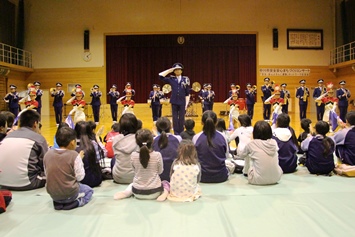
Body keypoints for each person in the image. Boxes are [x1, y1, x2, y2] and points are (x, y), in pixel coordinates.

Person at [44, 127, 94, 210]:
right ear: (72, 142)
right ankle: (77, 202)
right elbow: (80, 177)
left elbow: (47, 173)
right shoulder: (74, 155)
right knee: (89, 191)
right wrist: (79, 161)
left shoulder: (48, 154)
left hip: (53, 195)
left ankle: (58, 203)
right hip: (70, 194)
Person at [113, 129, 170, 201]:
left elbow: (134, 171)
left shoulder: (133, 155)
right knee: (165, 183)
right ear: (152, 141)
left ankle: (127, 192)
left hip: (137, 192)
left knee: (131, 184)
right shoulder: (157, 155)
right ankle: (164, 194)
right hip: (155, 192)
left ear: (137, 142)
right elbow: (160, 171)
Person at [0, 110, 47, 191]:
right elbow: (46, 164)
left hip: (2, 182)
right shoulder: (38, 139)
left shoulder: (7, 137)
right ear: (35, 123)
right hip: (28, 183)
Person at [192, 111, 235, 183]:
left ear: (202, 122)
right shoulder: (223, 136)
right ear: (216, 122)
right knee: (231, 164)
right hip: (221, 176)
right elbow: (226, 155)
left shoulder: (196, 137)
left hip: (202, 176)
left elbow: (194, 157)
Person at [240, 120, 283, 185]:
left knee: (248, 155)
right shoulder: (274, 142)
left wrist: (251, 139)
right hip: (277, 177)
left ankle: (245, 172)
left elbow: (241, 155)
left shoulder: (252, 143)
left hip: (257, 180)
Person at [159, 63, 190, 135]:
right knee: (175, 117)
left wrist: (186, 103)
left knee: (182, 117)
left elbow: (187, 93)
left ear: (181, 71)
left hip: (182, 101)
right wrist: (169, 70)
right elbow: (160, 76)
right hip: (174, 100)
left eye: (179, 70)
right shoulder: (171, 79)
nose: (177, 71)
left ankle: (181, 132)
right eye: (175, 70)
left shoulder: (185, 79)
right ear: (174, 71)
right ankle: (176, 132)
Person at [75, 121, 105, 187]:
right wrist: (97, 137)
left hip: (79, 180)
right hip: (95, 179)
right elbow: (104, 154)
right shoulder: (93, 144)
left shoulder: (72, 145)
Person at [112, 113, 139, 184]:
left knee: (114, 159)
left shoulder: (116, 139)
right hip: (136, 177)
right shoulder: (139, 139)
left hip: (118, 177)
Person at [152, 117, 181, 182]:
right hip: (174, 174)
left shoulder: (154, 140)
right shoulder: (178, 138)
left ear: (157, 128)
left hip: (158, 175)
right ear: (170, 127)